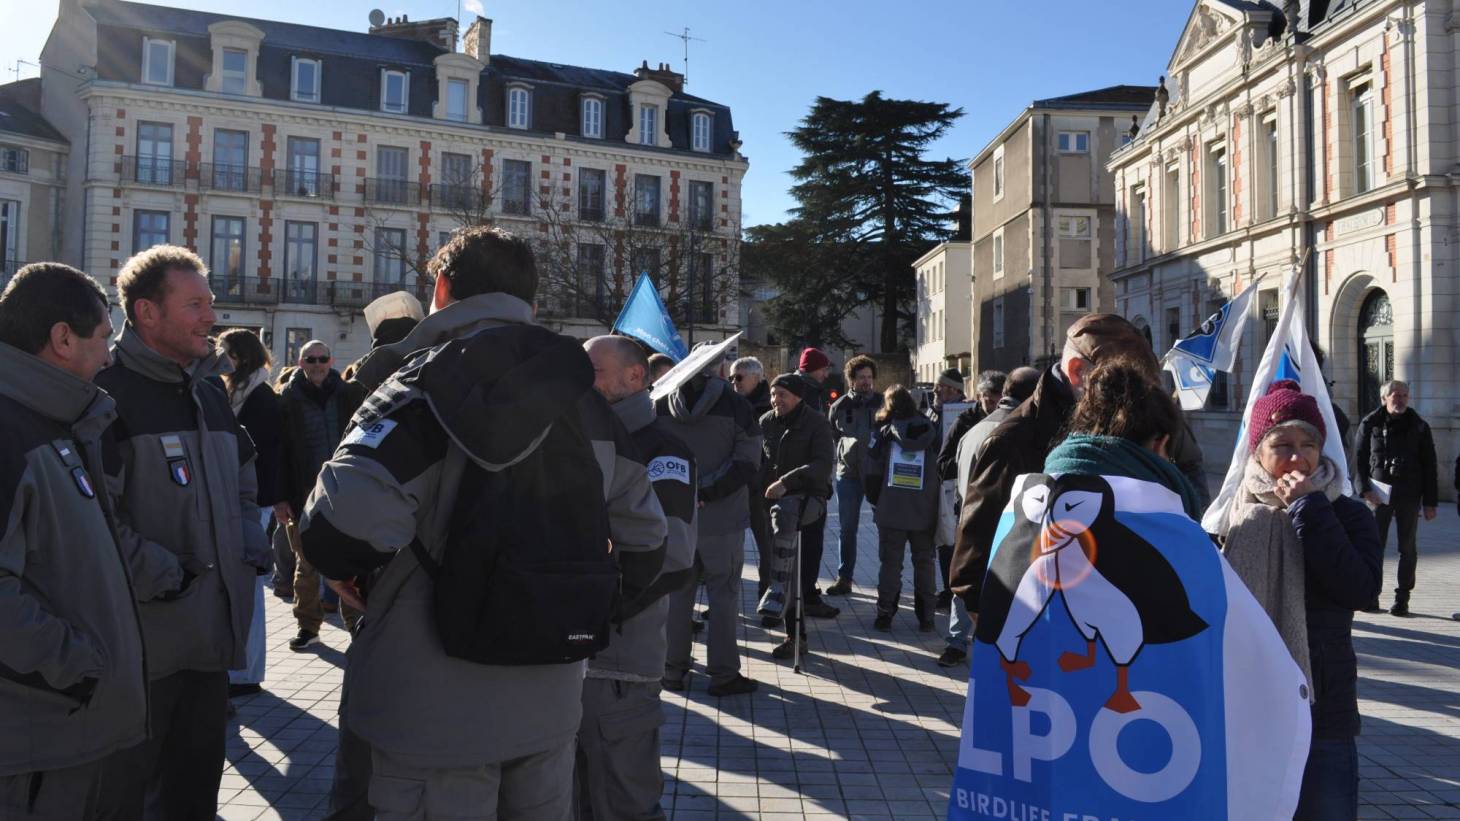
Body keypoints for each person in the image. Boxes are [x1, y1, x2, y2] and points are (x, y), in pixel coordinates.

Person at [300, 226, 667, 820]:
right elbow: (648, 541)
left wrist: (351, 576)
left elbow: (341, 529)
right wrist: (573, 606)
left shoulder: (417, 385)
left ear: (441, 289)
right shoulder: (587, 404)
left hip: (423, 710)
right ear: (533, 303)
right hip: (550, 703)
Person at [94, 245, 271, 819]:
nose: (211, 318)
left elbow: (245, 480)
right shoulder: (103, 395)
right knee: (126, 801)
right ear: (147, 312)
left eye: (210, 303)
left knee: (194, 798)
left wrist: (247, 541)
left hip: (210, 647)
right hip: (139, 653)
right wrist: (165, 575)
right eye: (195, 305)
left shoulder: (209, 390)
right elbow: (91, 520)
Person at [0, 264, 160, 819]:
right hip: (34, 743)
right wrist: (79, 666)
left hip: (61, 730)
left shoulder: (59, 418)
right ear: (63, 339)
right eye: (102, 338)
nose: (111, 355)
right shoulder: (13, 430)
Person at [1221, 380, 1381, 821]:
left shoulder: (1347, 512)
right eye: (1282, 445)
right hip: (1245, 705)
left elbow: (1362, 590)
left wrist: (1310, 509)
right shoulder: (1229, 516)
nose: (1296, 457)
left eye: (1308, 444)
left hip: (1321, 705)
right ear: (1257, 451)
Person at [950, 314, 1157, 614]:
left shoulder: (1130, 422)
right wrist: (1002, 636)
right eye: (1119, 387)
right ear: (1077, 372)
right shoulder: (1012, 441)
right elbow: (970, 564)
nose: (1131, 403)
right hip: (1036, 627)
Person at [576, 336, 697, 820]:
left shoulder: (662, 448)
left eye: (595, 371)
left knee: (623, 802)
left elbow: (673, 555)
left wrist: (591, 609)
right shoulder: (581, 435)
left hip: (620, 663)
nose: (585, 383)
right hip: (572, 661)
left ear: (635, 377)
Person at [658, 344, 762, 697]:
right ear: (719, 369)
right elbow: (748, 461)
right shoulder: (737, 406)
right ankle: (723, 674)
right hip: (723, 518)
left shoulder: (659, 402)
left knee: (675, 596)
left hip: (674, 517)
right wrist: (708, 491)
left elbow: (649, 457)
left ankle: (671, 670)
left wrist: (684, 492)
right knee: (724, 596)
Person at [937, 366, 1038, 667]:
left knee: (965, 579)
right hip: (1006, 521)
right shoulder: (1020, 433)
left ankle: (956, 641)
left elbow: (951, 469)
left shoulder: (972, 432)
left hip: (968, 514)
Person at [278, 339, 366, 649]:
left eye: (322, 359)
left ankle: (356, 624)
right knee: (306, 562)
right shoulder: (287, 398)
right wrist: (280, 498)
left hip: (345, 489)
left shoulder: (350, 394)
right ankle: (308, 627)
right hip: (304, 490)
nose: (317, 365)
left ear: (330, 362)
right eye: (310, 359)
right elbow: (278, 452)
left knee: (351, 558)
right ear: (300, 363)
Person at [218, 328, 285, 698]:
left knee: (250, 584)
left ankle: (247, 672)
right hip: (246, 497)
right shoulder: (244, 392)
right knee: (246, 583)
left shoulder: (258, 397)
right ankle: (243, 669)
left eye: (224, 352)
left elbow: (265, 454)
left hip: (252, 499)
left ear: (240, 357)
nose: (219, 357)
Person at [757, 373, 836, 660]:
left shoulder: (816, 423)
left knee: (799, 574)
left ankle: (797, 636)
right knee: (780, 568)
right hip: (775, 507)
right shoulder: (767, 422)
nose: (776, 400)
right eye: (774, 394)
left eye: (782, 395)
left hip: (808, 508)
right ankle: (791, 632)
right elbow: (763, 462)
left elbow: (822, 464)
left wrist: (787, 482)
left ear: (798, 397)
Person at [1356, 380, 1438, 616]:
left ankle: (1402, 599)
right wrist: (1364, 490)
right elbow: (1358, 459)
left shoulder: (1419, 426)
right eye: (1395, 395)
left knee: (1407, 549)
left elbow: (1430, 465)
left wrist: (1430, 502)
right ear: (1384, 398)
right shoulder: (1370, 423)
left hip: (1410, 495)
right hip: (1378, 495)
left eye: (1404, 395)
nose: (1400, 399)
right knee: (1374, 547)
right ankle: (1371, 596)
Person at [865, 385, 943, 632]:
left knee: (890, 564)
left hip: (891, 507)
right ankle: (927, 617)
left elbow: (871, 472)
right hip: (924, 508)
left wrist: (876, 500)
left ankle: (885, 613)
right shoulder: (930, 429)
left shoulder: (883, 433)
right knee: (925, 562)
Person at [790, 345, 840, 618]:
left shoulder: (795, 389)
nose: (826, 374)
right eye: (824, 369)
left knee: (797, 542)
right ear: (813, 370)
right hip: (809, 482)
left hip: (797, 479)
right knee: (811, 541)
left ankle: (801, 590)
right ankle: (806, 595)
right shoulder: (808, 394)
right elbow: (816, 445)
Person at [826, 355, 879, 596]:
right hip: (847, 475)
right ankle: (844, 577)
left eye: (869, 377)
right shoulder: (839, 407)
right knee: (847, 528)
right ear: (851, 380)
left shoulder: (884, 403)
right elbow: (831, 440)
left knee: (887, 528)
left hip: (878, 475)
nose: (866, 382)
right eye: (861, 378)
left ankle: (888, 579)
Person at [731, 356, 776, 602]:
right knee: (728, 546)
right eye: (731, 377)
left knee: (766, 544)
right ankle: (725, 599)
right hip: (735, 486)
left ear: (755, 378)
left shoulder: (769, 407)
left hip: (761, 487)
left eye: (738, 377)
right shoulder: (733, 404)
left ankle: (767, 595)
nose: (733, 382)